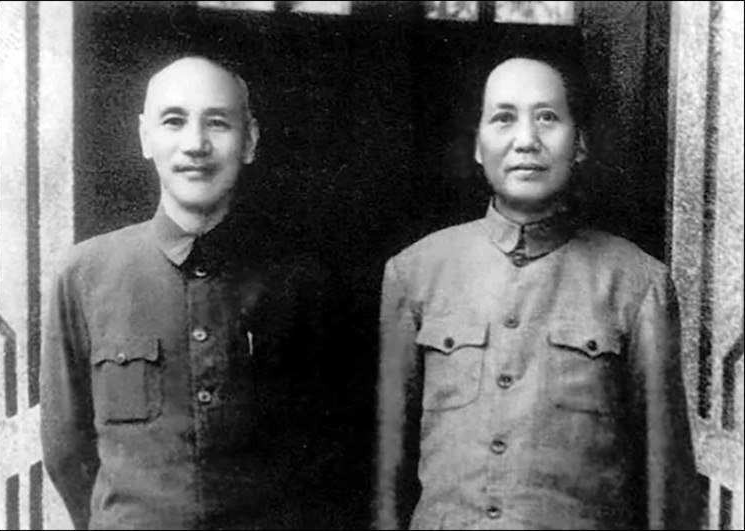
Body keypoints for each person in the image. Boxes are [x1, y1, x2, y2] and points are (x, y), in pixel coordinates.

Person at [375, 50, 702, 530]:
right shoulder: (415, 273)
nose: (526, 140)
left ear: (580, 143)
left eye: (547, 117)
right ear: (478, 145)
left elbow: (667, 490)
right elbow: (389, 481)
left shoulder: (637, 283)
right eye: (503, 118)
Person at [41, 56, 340, 530]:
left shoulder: (299, 283)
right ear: (145, 137)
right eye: (173, 121)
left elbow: (322, 452)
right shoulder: (84, 275)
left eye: (217, 123)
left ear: (250, 140)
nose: (195, 144)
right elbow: (66, 451)